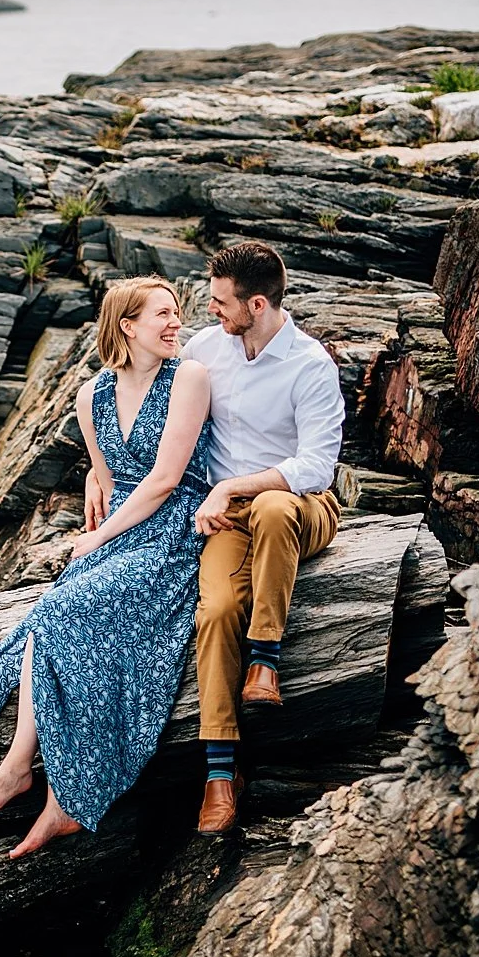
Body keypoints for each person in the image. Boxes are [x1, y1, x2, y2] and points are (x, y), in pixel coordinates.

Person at [0, 275, 216, 858]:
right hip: (119, 528)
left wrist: (100, 535)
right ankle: (29, 771)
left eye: (177, 313)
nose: (177, 324)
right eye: (163, 315)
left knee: (58, 611)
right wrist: (94, 496)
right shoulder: (91, 395)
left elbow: (166, 479)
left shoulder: (190, 379)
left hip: (172, 528)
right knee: (54, 618)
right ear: (127, 326)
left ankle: (30, 773)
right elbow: (103, 473)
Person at [129, 240, 344, 836]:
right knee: (216, 610)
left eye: (221, 302)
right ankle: (221, 775)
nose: (211, 312)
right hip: (229, 514)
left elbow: (316, 467)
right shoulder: (205, 349)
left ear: (256, 303)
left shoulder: (310, 364)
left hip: (303, 506)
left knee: (275, 505)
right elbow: (141, 391)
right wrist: (100, 467)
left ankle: (266, 660)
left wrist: (230, 488)